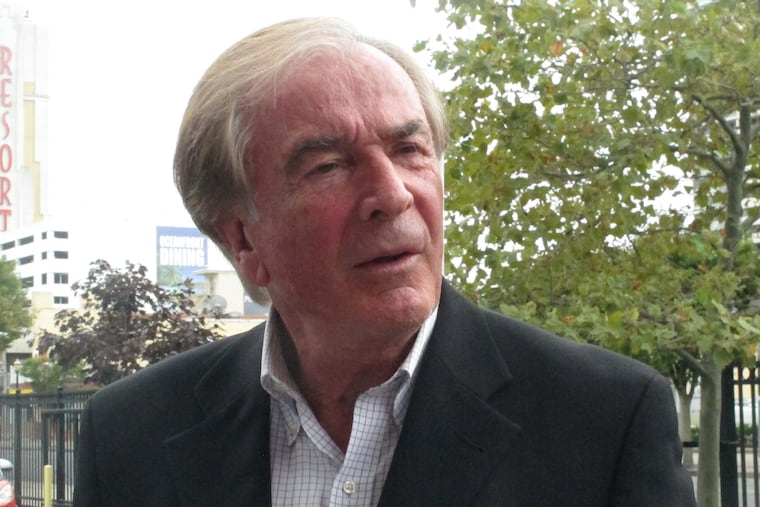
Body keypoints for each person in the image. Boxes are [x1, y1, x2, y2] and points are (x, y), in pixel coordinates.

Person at [73, 17, 697, 507]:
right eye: (328, 166)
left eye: (409, 149)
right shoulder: (130, 435)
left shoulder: (604, 420)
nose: (393, 195)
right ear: (243, 241)